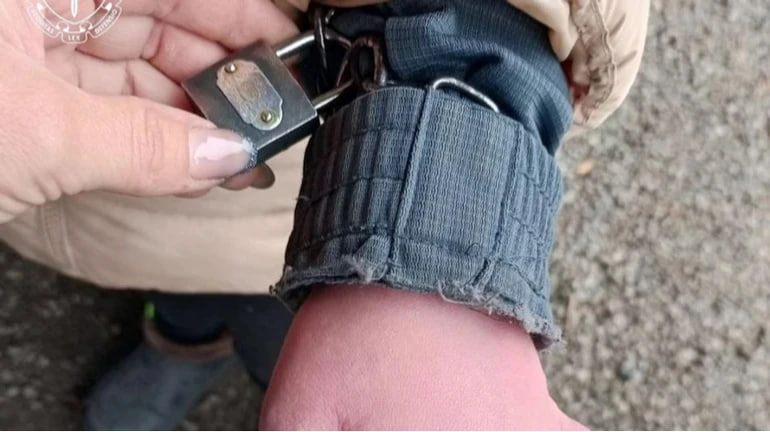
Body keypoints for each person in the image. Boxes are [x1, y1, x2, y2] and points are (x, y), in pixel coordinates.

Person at [0, 0, 649, 429]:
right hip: (102, 144)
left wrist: (425, 255)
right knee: (174, 288)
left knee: (286, 335)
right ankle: (182, 341)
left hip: (306, 211)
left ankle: (267, 364)